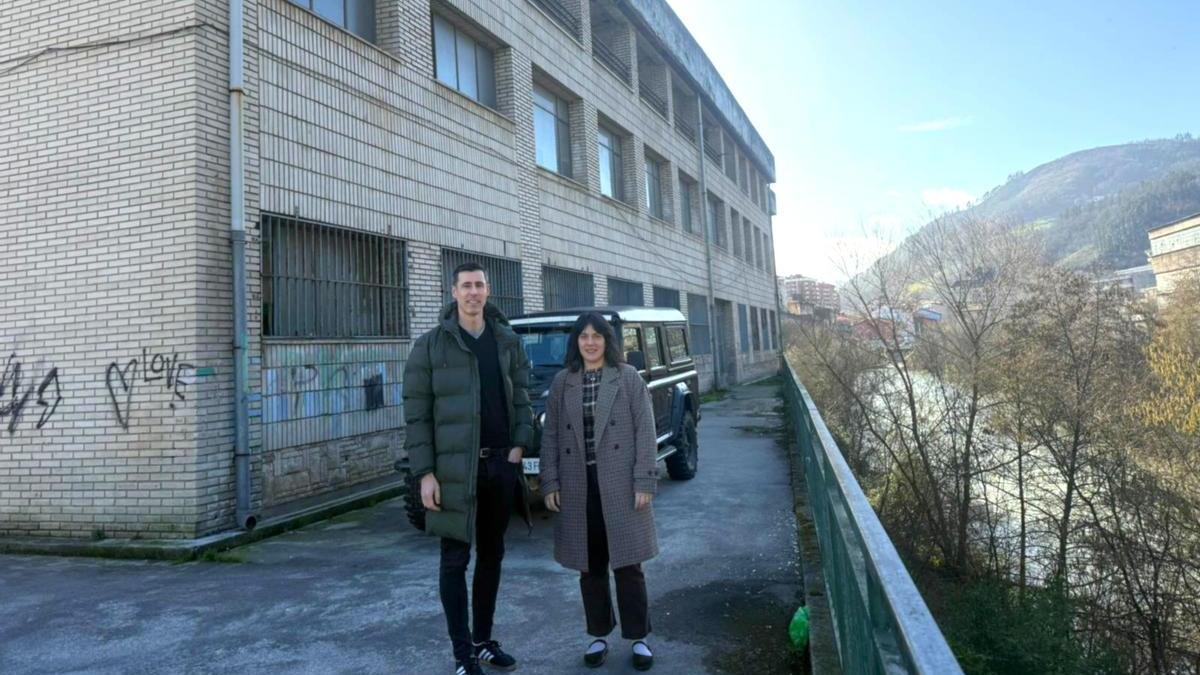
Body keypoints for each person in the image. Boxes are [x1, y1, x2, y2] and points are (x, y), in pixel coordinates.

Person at [403, 261, 533, 675]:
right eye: (466, 286)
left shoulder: (506, 340)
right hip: (453, 471)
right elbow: (417, 416)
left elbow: (522, 399)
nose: (474, 293)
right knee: (454, 560)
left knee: (492, 556)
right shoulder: (430, 346)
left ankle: (484, 641)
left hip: (500, 465)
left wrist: (517, 448)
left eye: (480, 285)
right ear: (454, 292)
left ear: (488, 291)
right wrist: (425, 473)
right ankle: (463, 655)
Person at [539, 312, 659, 671]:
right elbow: (551, 436)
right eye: (583, 336)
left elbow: (645, 431)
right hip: (579, 484)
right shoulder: (564, 382)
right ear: (575, 342)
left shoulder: (627, 378)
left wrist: (644, 481)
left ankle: (639, 638)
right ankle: (598, 634)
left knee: (628, 564)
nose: (590, 342)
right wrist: (550, 481)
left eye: (597, 336)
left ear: (608, 341)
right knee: (589, 567)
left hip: (620, 482)